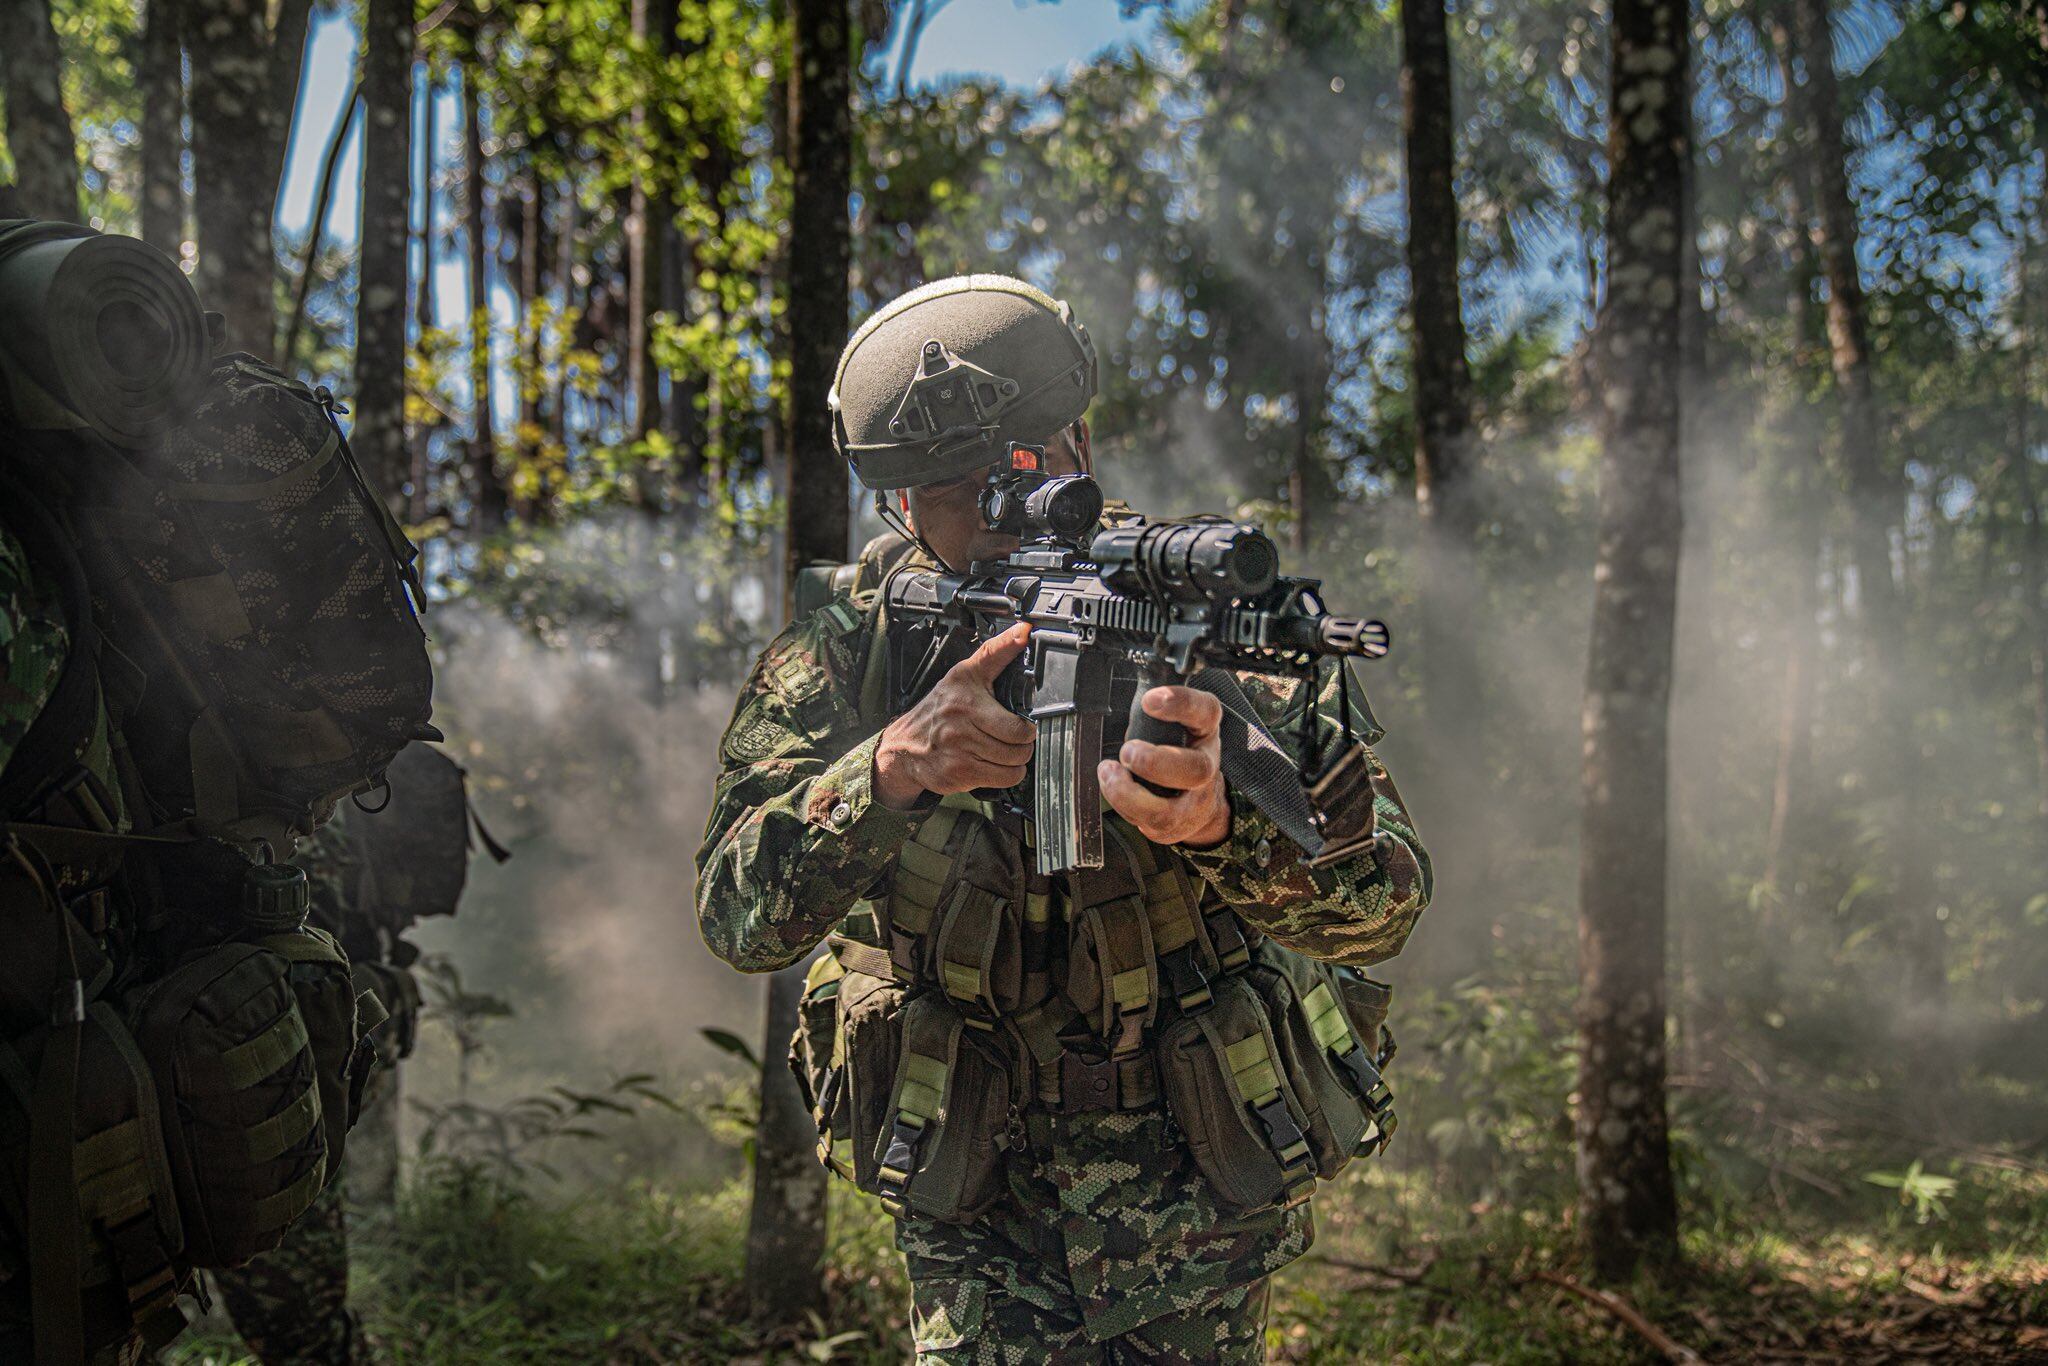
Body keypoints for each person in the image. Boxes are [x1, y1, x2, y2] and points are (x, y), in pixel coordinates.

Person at [696, 274, 1431, 1361]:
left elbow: (1384, 906)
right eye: (950, 490)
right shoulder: (848, 649)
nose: (996, 509)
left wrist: (1226, 827)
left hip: (1195, 1195)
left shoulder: (1205, 618)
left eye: (1023, 466)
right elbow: (735, 916)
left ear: (1079, 444)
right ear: (899, 505)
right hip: (971, 1194)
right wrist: (887, 771)